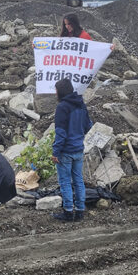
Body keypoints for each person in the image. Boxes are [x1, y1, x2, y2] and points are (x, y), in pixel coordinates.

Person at [52, 78, 93, 222]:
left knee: (65, 181)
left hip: (66, 151)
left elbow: (61, 133)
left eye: (56, 90)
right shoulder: (81, 104)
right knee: (78, 181)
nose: (55, 93)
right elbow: (89, 125)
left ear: (61, 92)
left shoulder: (62, 107)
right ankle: (80, 211)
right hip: (78, 149)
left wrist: (56, 151)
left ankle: (68, 212)